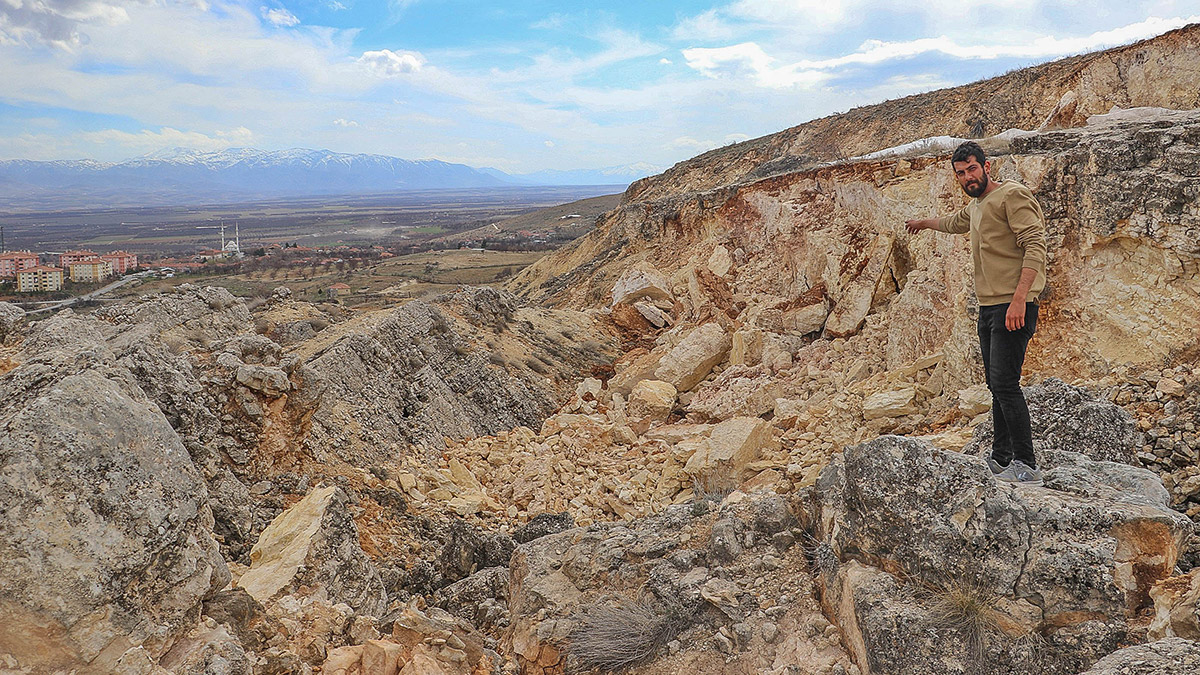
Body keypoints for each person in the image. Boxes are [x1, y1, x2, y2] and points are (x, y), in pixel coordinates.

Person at [905, 141, 1047, 486]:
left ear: (985, 165)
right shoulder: (979, 204)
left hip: (1013, 305)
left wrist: (1019, 299)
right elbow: (955, 222)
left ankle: (1026, 464)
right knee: (994, 385)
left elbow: (1036, 245)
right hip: (988, 307)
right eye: (961, 173)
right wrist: (923, 222)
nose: (968, 176)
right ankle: (1000, 459)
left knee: (1005, 384)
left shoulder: (1010, 195)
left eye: (972, 169)